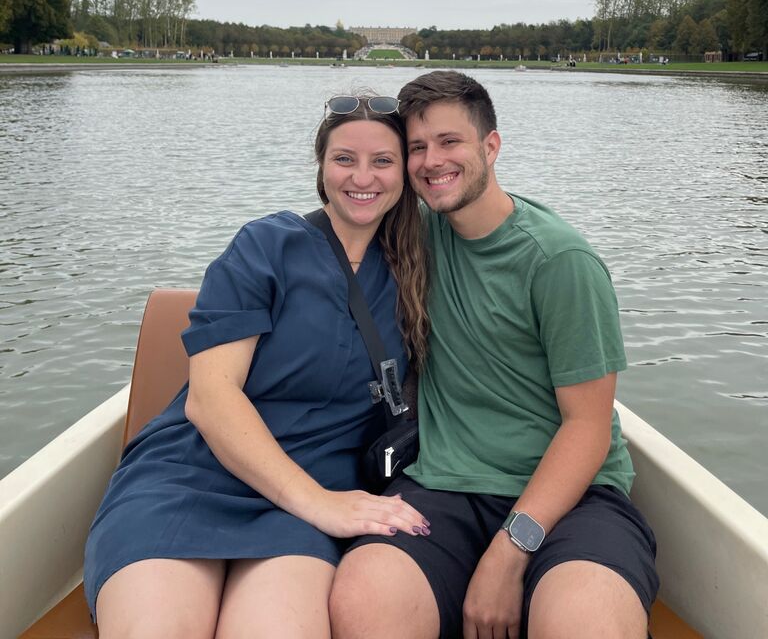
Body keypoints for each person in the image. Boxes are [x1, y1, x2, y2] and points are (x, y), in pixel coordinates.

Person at [84, 93, 431, 639]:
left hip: (310, 496)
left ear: (405, 174)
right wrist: (320, 505)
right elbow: (211, 396)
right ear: (321, 166)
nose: (362, 176)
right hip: (191, 475)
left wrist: (322, 505)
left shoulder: (417, 269)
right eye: (344, 158)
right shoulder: (266, 246)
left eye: (383, 161)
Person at [330, 71, 659, 639]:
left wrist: (510, 553)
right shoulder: (415, 237)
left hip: (571, 498)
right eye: (416, 148)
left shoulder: (559, 262)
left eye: (450, 142)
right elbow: (347, 204)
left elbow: (588, 427)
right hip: (443, 485)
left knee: (588, 622)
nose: (432, 161)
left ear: (491, 145)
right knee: (365, 596)